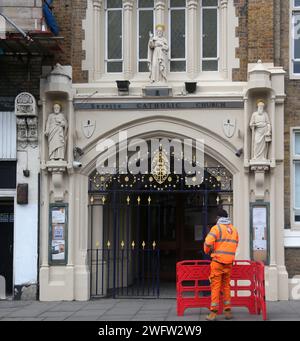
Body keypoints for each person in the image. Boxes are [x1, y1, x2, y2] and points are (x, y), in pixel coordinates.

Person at [203, 208, 239, 321]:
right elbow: (235, 244)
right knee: (226, 286)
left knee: (216, 287)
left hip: (217, 262)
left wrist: (207, 250)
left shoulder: (216, 228)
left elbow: (208, 242)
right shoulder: (234, 230)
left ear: (218, 218)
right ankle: (227, 311)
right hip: (229, 263)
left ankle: (213, 312)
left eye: (216, 217)